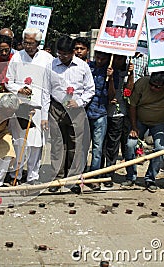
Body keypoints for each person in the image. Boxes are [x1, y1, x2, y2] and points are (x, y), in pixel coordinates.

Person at [41, 36, 95, 193]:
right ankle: (57, 178)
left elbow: (90, 89)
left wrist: (79, 102)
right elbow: (45, 91)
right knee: (57, 145)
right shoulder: (50, 66)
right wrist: (45, 116)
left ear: (73, 52)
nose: (62, 57)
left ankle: (73, 179)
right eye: (60, 54)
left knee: (75, 145)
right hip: (56, 108)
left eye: (66, 54)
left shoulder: (82, 66)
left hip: (76, 110)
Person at [122, 71, 164, 192]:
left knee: (160, 149)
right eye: (152, 84)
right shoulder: (142, 82)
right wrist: (133, 127)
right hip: (139, 121)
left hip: (159, 123)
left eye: (157, 87)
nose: (153, 88)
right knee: (130, 145)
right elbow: (132, 105)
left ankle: (150, 179)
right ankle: (130, 177)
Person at [6, 28, 53, 185]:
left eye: (31, 43)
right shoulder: (17, 57)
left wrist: (46, 113)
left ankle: (33, 176)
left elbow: (51, 85)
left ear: (38, 43)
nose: (27, 46)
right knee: (19, 142)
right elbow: (8, 81)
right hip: (20, 107)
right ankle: (16, 175)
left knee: (36, 144)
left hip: (39, 107)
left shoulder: (47, 59)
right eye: (25, 42)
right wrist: (18, 89)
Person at [102, 55, 134, 186]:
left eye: (121, 59)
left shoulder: (128, 69)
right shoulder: (107, 68)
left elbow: (130, 90)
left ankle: (121, 174)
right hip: (109, 113)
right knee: (108, 145)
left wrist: (131, 74)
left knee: (121, 145)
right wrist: (109, 78)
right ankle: (105, 172)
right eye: (116, 58)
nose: (117, 61)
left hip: (123, 113)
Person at [86, 51, 113, 190]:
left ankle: (94, 177)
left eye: (103, 58)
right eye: (98, 57)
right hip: (86, 111)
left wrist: (111, 78)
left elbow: (112, 95)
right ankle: (81, 175)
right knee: (83, 147)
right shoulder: (87, 67)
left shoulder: (110, 70)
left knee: (97, 148)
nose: (99, 61)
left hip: (101, 113)